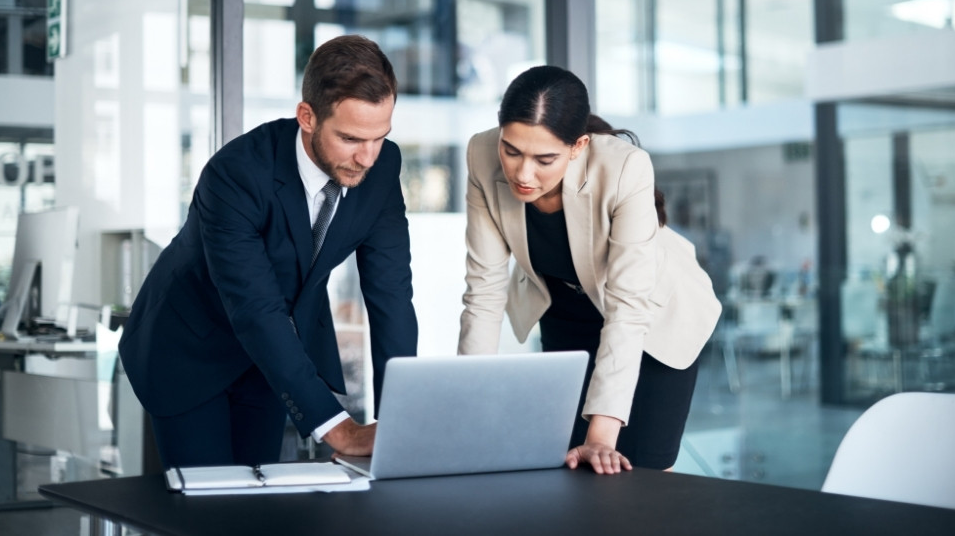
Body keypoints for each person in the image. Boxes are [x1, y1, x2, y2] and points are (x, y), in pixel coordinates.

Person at [119, 34, 418, 468]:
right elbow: (254, 308)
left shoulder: (382, 166)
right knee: (206, 508)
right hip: (190, 346)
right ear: (308, 117)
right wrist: (340, 429)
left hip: (275, 356)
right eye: (352, 138)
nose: (368, 157)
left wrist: (403, 416)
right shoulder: (236, 175)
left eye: (379, 137)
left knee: (257, 503)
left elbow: (391, 293)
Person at [459, 65, 720, 474]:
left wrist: (600, 437)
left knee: (637, 476)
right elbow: (483, 293)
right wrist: (466, 409)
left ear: (579, 145)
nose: (523, 174)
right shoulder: (480, 153)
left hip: (650, 319)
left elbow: (628, 308)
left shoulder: (625, 168)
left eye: (544, 159)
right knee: (566, 467)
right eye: (511, 151)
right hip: (564, 310)